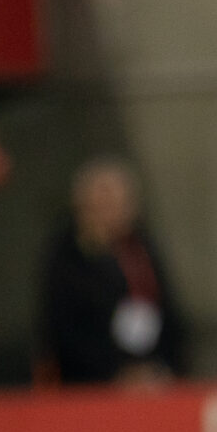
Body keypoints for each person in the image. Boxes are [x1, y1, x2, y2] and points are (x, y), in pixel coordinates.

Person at [37, 158, 189, 387]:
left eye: (121, 203)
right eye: (103, 203)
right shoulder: (65, 258)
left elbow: (169, 318)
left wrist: (162, 368)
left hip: (151, 379)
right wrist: (115, 373)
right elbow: (63, 332)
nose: (114, 212)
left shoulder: (142, 251)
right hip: (91, 385)